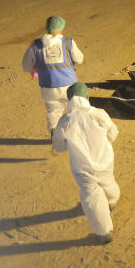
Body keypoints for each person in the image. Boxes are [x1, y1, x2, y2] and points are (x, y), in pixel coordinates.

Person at [53, 82, 120, 244]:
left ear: (69, 100)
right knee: (108, 181)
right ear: (87, 97)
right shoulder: (99, 114)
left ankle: (103, 232)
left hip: (82, 167)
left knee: (91, 197)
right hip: (105, 160)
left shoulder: (65, 121)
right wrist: (105, 143)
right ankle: (111, 201)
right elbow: (113, 132)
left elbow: (59, 146)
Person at [21, 15, 85, 136]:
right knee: (76, 108)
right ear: (62, 27)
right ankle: (77, 134)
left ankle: (54, 132)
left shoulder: (35, 45)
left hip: (48, 87)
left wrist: (36, 68)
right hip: (70, 85)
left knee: (54, 111)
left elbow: (26, 66)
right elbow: (80, 59)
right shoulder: (68, 43)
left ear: (47, 27)